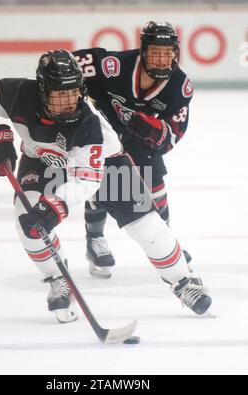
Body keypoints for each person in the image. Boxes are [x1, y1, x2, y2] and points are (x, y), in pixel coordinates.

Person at [0, 49, 211, 325]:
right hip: (42, 161)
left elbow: (87, 181)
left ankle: (184, 281)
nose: (68, 102)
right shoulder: (16, 92)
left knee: (147, 226)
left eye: (73, 93)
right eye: (59, 94)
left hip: (106, 164)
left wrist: (55, 207)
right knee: (27, 224)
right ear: (42, 90)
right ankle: (59, 279)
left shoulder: (90, 124)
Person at [73, 21, 194, 279]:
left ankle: (167, 243)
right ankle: (94, 239)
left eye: (167, 53)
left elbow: (173, 135)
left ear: (175, 53)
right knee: (101, 181)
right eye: (154, 52)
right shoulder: (115, 66)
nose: (161, 60)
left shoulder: (179, 86)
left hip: (139, 139)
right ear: (142, 51)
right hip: (103, 131)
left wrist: (154, 130)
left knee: (154, 181)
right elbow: (70, 64)